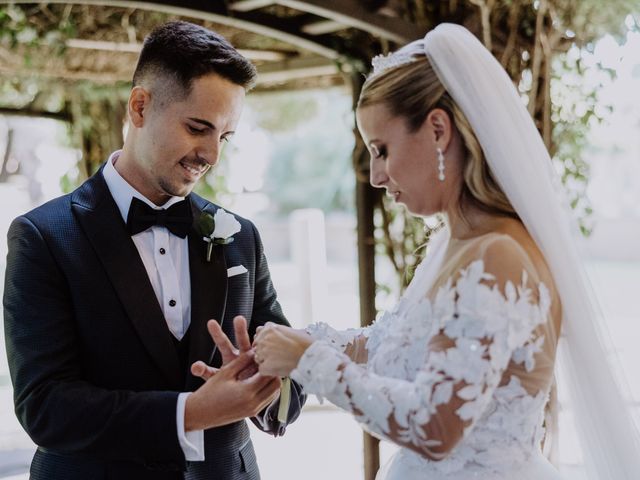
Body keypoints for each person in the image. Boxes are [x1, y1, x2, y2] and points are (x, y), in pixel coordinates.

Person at [251, 23, 640, 480]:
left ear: (437, 129)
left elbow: (436, 427)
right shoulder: (451, 245)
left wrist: (307, 360)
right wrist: (286, 343)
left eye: (381, 149)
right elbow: (386, 348)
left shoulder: (499, 257)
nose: (376, 176)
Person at [3, 21, 305, 480]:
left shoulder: (239, 235)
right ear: (140, 106)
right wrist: (191, 413)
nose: (211, 155)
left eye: (223, 137)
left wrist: (267, 384)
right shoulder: (44, 237)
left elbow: (287, 384)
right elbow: (45, 407)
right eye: (198, 128)